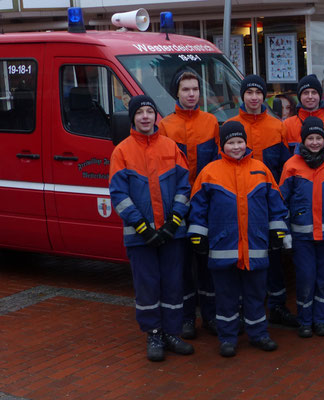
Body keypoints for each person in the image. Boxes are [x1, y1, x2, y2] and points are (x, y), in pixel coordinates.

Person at [187, 121, 289, 358]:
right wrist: (197, 236)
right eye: (230, 142)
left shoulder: (261, 170)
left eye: (240, 142)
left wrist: (277, 232)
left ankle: (259, 334)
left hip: (255, 247)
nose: (236, 146)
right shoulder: (210, 172)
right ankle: (228, 337)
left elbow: (276, 205)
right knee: (226, 297)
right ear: (222, 145)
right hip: (224, 248)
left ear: (246, 143)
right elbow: (198, 209)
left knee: (256, 294)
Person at [109, 95, 194, 362]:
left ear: (155, 116)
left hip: (172, 233)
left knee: (172, 284)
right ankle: (154, 333)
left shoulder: (171, 147)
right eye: (140, 113)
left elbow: (184, 188)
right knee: (147, 286)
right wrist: (143, 228)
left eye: (149, 111)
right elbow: (118, 195)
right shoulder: (121, 151)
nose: (145, 117)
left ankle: (172, 332)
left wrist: (174, 223)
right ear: (133, 117)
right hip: (139, 237)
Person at [227, 74, 297, 327]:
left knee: (273, 255)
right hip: (238, 203)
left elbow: (286, 167)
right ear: (242, 96)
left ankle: (277, 306)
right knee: (243, 255)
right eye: (249, 93)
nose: (254, 98)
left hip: (269, 202)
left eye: (258, 93)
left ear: (264, 96)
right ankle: (246, 309)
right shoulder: (230, 125)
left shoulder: (278, 126)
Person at [158, 69, 220, 339]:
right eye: (186, 90)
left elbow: (219, 164)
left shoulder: (211, 123)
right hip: (178, 205)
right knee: (182, 266)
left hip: (206, 205)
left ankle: (210, 316)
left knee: (207, 264)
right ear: (177, 93)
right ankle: (186, 318)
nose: (191, 94)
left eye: (195, 89)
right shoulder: (165, 126)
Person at [284, 74, 324, 318]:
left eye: (314, 92)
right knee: (306, 271)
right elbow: (285, 163)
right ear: (299, 96)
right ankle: (308, 313)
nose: (310, 97)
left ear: (320, 96)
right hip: (302, 206)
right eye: (305, 93)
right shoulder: (288, 125)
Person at [279, 117, 324, 338]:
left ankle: (320, 320)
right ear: (302, 140)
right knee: (305, 278)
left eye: (318, 138)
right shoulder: (291, 165)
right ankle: (305, 321)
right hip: (301, 237)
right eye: (310, 138)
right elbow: (281, 202)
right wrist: (284, 233)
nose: (314, 142)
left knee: (323, 279)